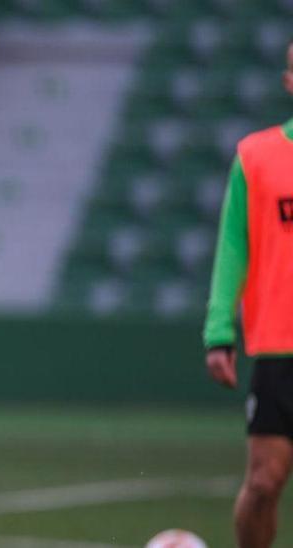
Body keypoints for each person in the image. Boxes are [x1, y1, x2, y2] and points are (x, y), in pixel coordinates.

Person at [203, 40, 293, 548]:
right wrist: (219, 331)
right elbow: (233, 247)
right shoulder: (256, 157)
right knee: (263, 483)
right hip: (280, 347)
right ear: (289, 82)